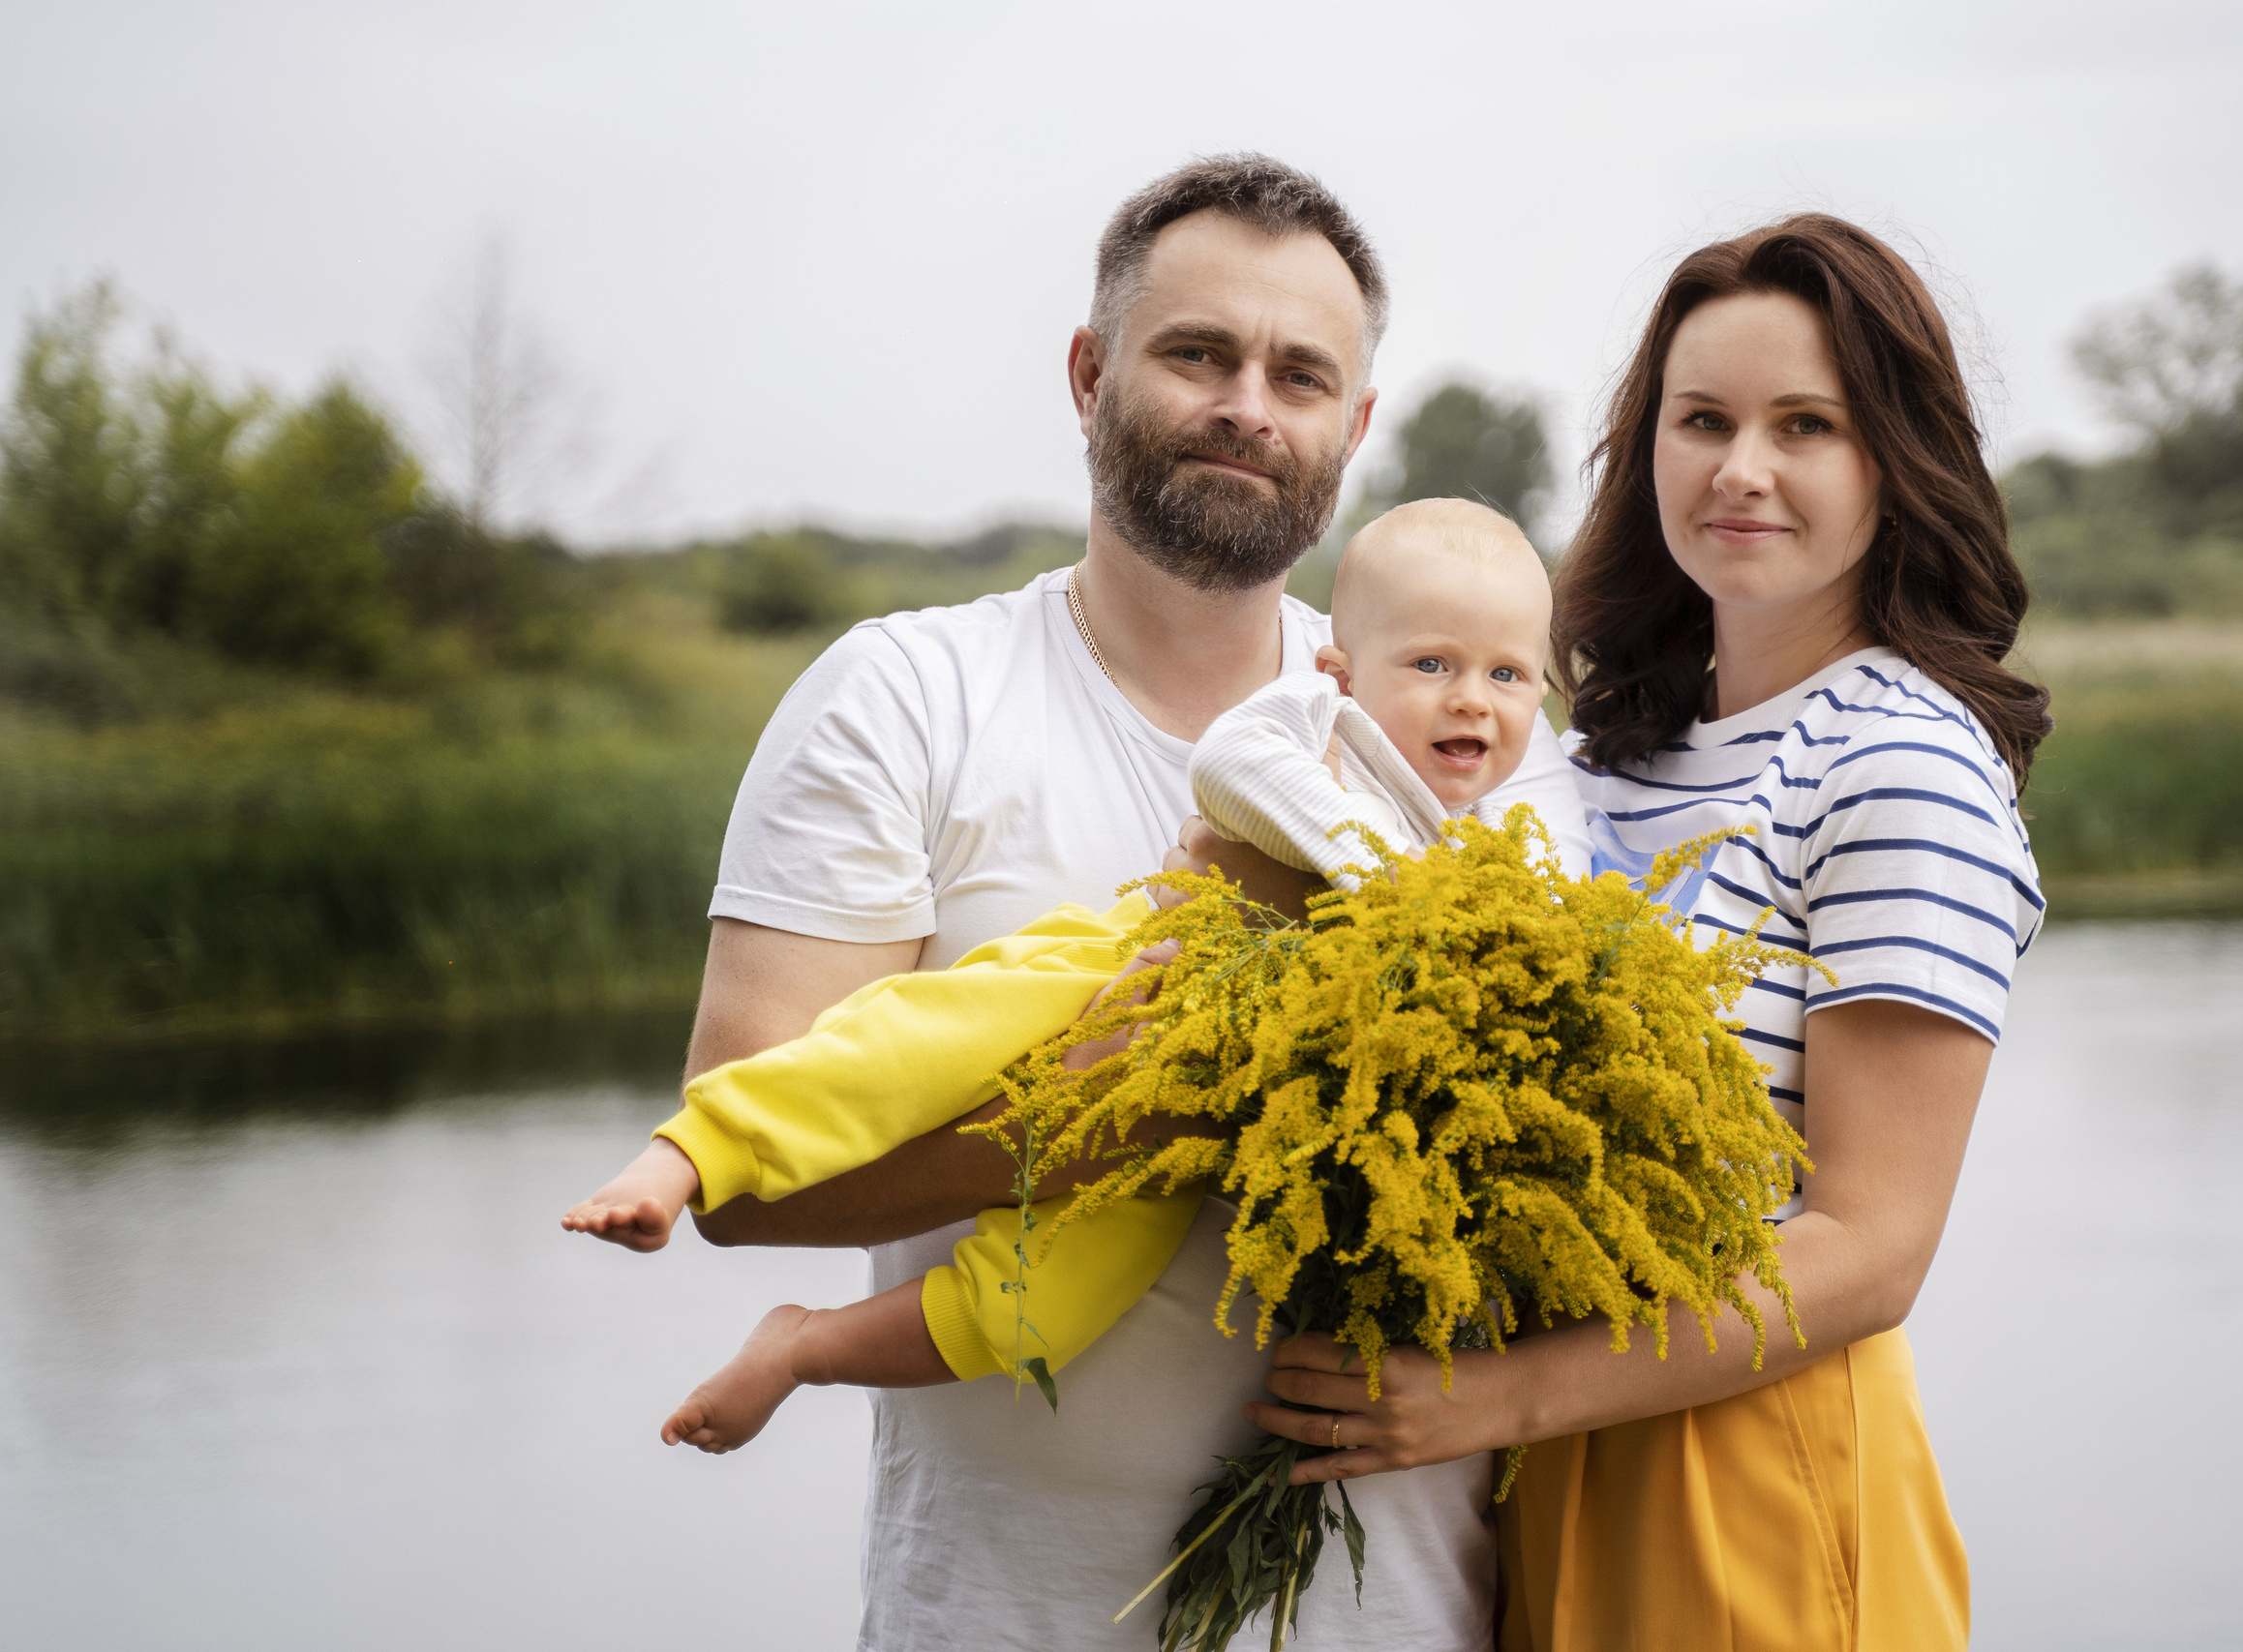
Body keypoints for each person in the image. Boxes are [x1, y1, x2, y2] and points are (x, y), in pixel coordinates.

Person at [660, 157, 1581, 1652]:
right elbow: (741, 1170)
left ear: (1354, 427)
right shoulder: (907, 697)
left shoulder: (1462, 719)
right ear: (1090, 374)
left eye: (1300, 374)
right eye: (1197, 353)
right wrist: (1179, 1100)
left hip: (1406, 1615)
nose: (1248, 406)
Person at [1238, 214, 2052, 1651]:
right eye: (1703, 420)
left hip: (1753, 1457)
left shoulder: (1900, 760)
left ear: (1895, 458)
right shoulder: (1606, 753)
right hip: (1557, 1458)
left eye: (1807, 424)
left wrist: (1494, 1398)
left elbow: (1870, 1245)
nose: (1742, 468)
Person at [556, 500, 1562, 1460]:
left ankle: (805, 1347)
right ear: (1339, 671)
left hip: (1213, 1097)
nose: (1472, 697)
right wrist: (1396, 895)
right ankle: (691, 1149)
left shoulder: (1504, 828)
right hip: (1131, 969)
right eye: (1432, 665)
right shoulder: (1308, 729)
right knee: (924, 1041)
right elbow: (1234, 773)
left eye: (1509, 676)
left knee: (1039, 1313)